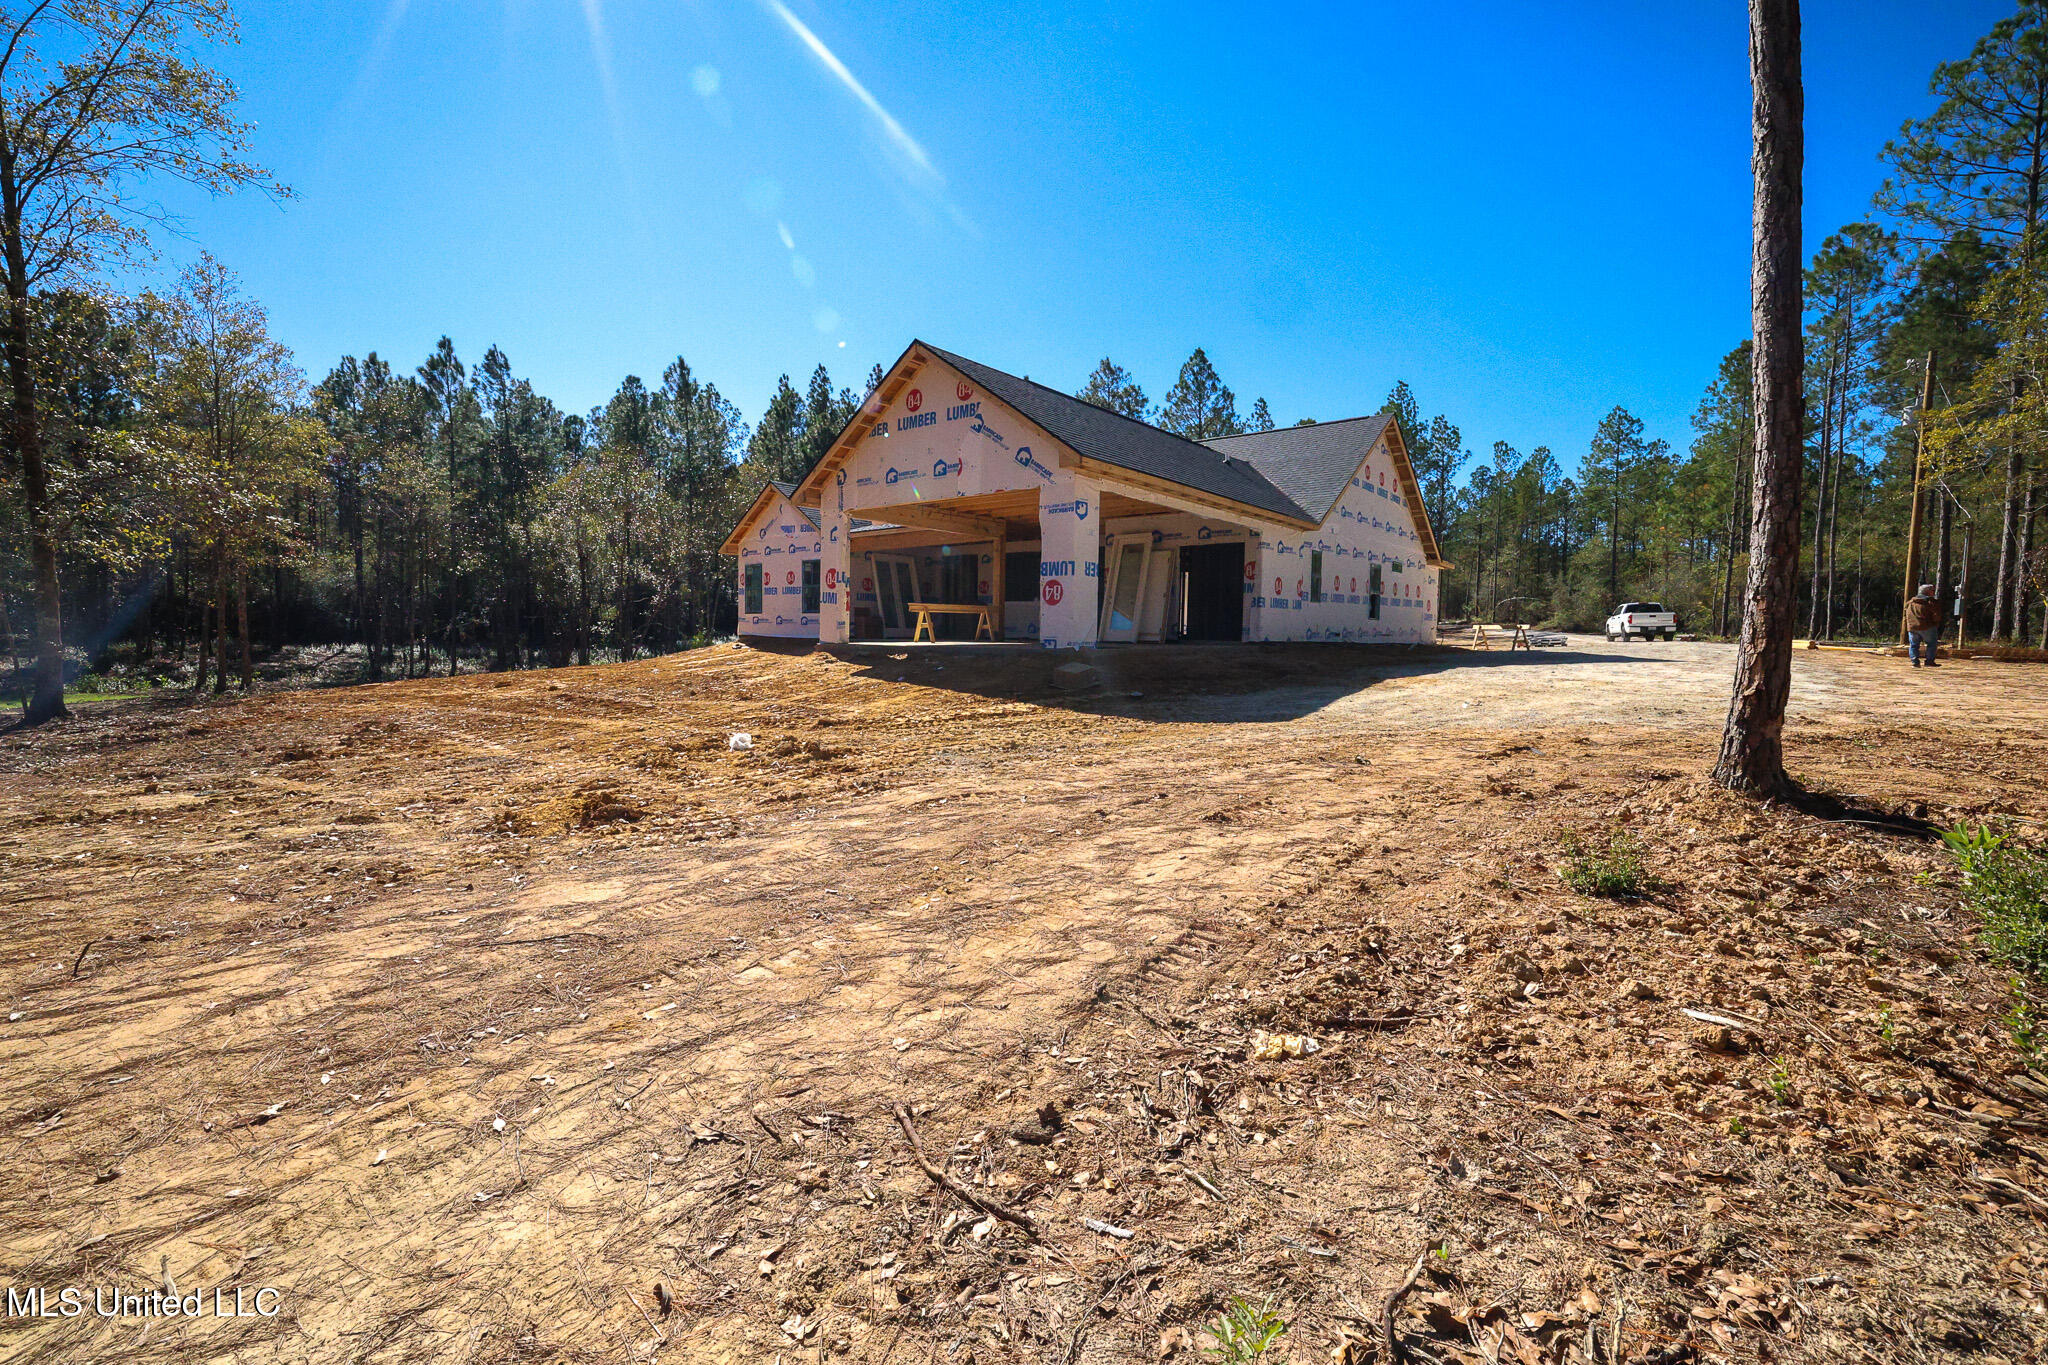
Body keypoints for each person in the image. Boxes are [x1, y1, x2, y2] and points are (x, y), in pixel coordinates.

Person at [1904, 583, 1943, 668]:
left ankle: (1915, 662)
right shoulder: (1931, 602)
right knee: (1931, 644)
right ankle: (1929, 662)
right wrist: (1935, 623)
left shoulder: (1910, 602)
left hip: (1912, 627)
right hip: (1927, 627)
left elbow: (1905, 614)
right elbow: (1936, 616)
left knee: (1914, 645)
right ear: (1927, 592)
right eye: (1932, 590)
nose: (1934, 592)